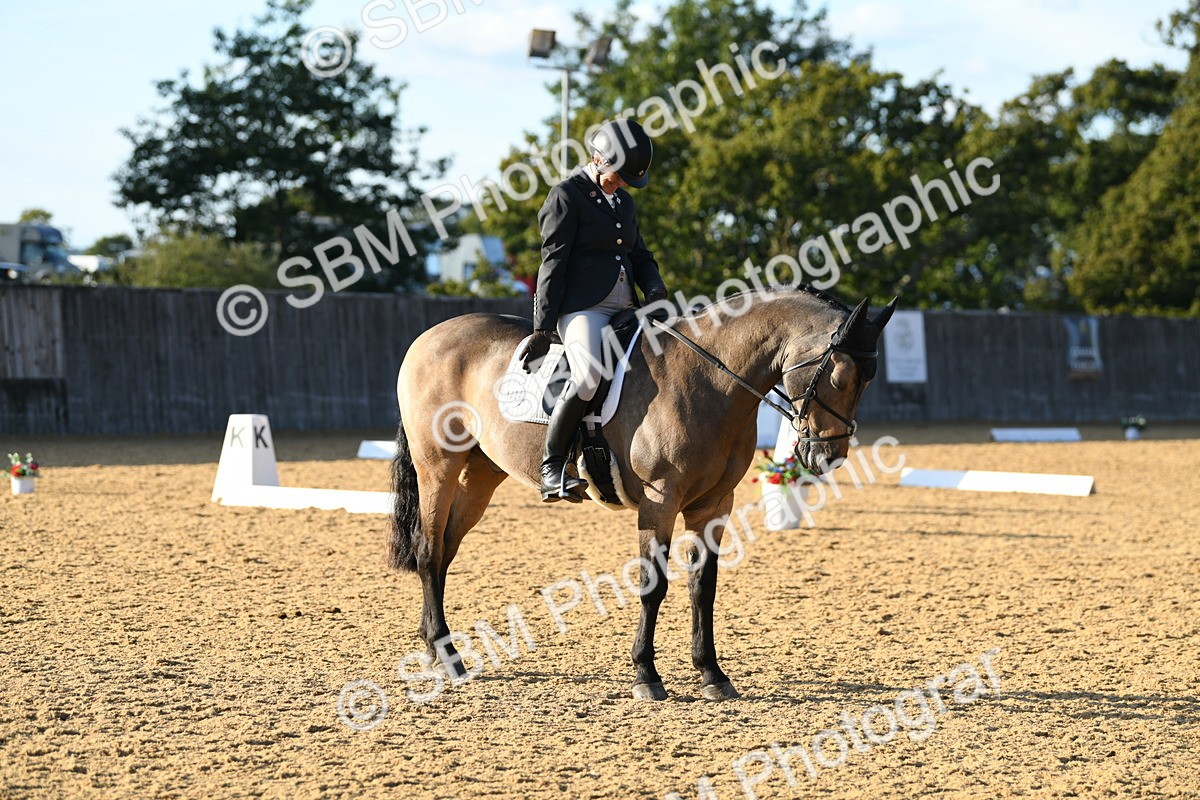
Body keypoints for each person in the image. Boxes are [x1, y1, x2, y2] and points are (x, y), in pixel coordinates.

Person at [519, 119, 668, 503]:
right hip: (584, 308)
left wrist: (654, 287)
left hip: (627, 306)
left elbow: (639, 255)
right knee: (587, 377)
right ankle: (553, 466)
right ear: (598, 159)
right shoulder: (566, 195)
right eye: (619, 176)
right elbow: (552, 264)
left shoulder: (624, 202)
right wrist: (542, 327)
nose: (623, 185)